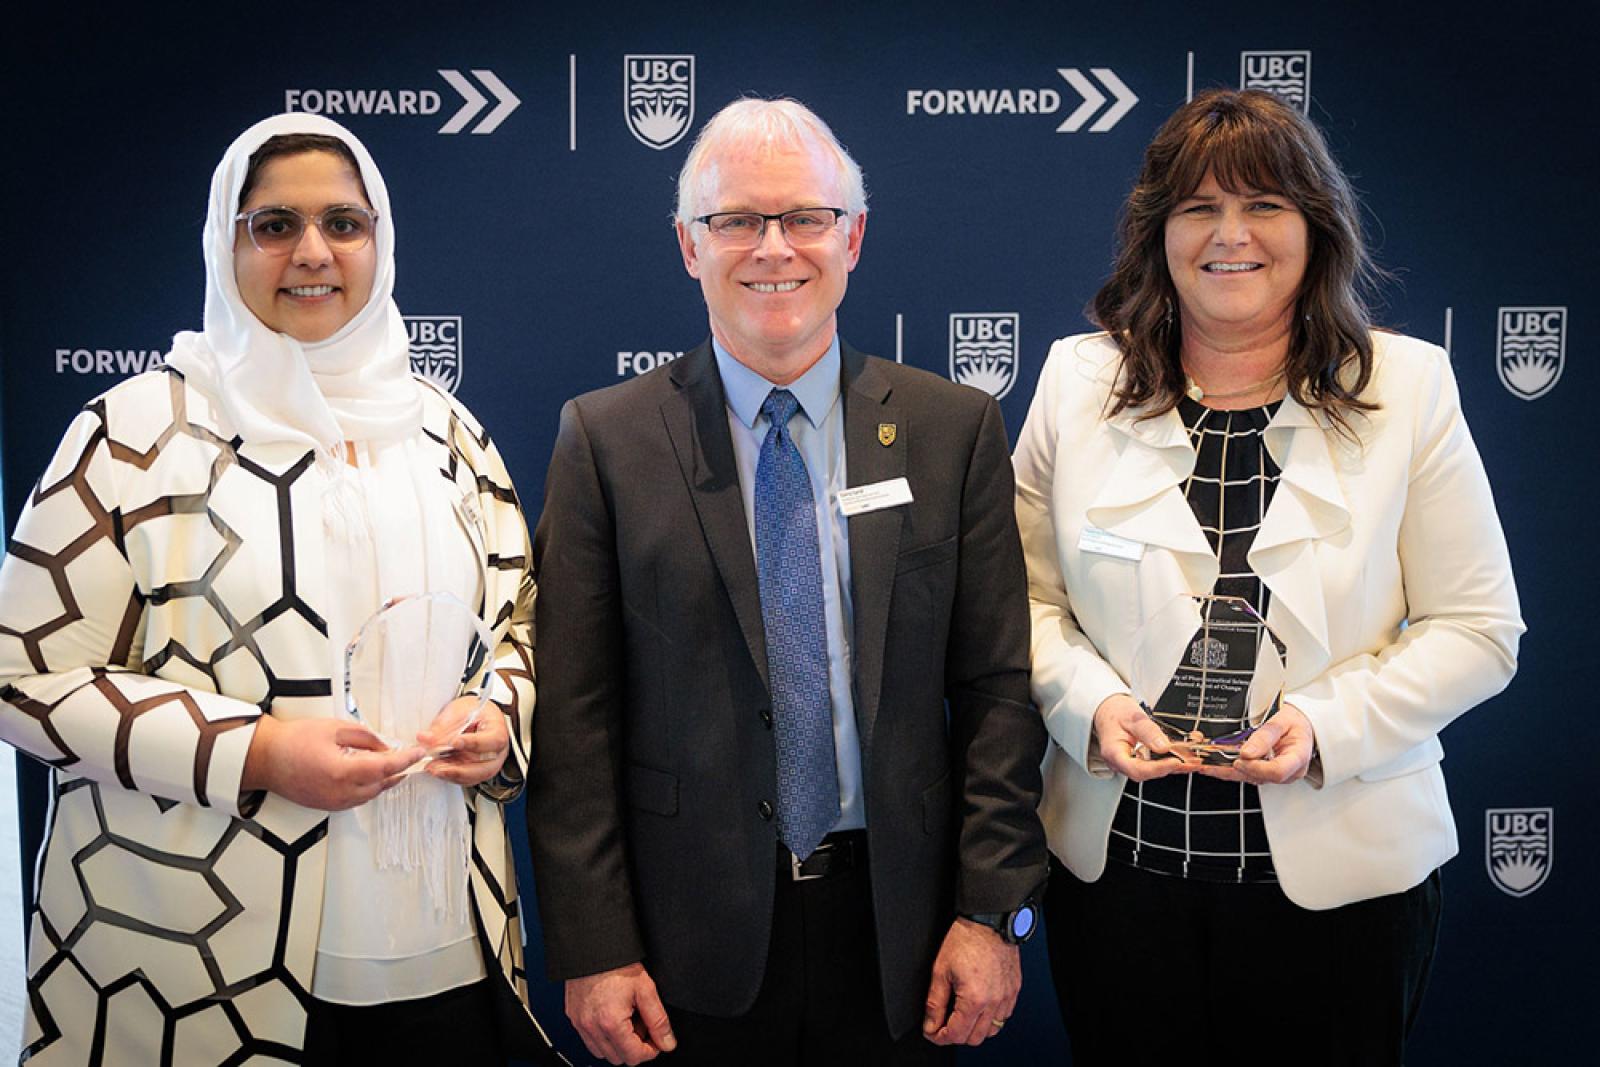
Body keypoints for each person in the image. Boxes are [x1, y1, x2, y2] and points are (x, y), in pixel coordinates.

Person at [0, 114, 560, 1065]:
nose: (312, 251)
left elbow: (517, 629)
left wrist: (497, 716)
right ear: (228, 243)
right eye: (274, 225)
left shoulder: (447, 432)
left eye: (345, 222)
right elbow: (23, 676)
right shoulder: (136, 430)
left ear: (380, 241)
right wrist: (254, 750)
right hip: (202, 974)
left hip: (451, 954)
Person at [527, 97, 1048, 1067]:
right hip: (686, 943)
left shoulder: (950, 429)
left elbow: (995, 694)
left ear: (852, 236)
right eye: (736, 220)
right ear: (689, 244)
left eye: (805, 217)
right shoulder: (606, 439)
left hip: (904, 935)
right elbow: (574, 720)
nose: (774, 247)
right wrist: (594, 947)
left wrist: (992, 911)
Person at [1012, 88, 1524, 1066]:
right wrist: (1087, 701)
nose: (1229, 234)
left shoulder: (1406, 388)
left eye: (1263, 205)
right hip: (1119, 880)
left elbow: (1477, 628)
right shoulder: (1075, 380)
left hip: (1345, 889)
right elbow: (1018, 599)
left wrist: (1327, 727)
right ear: (1156, 232)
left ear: (1315, 226)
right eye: (1198, 207)